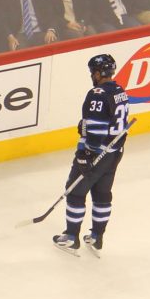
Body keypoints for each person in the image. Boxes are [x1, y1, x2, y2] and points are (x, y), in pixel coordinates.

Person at [52, 54, 130, 256]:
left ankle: (71, 238)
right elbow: (110, 124)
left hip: (96, 154)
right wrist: (85, 126)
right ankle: (97, 237)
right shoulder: (120, 91)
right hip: (113, 154)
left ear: (97, 73)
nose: (92, 76)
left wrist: (85, 154)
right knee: (102, 195)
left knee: (75, 193)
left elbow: (96, 129)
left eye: (92, 72)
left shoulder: (97, 94)